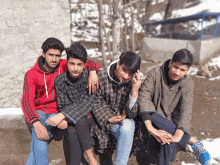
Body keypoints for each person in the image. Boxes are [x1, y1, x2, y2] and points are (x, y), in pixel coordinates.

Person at [21, 37, 100, 165]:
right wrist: (35, 123)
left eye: (57, 55)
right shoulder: (31, 74)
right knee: (39, 134)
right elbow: (26, 101)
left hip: (56, 112)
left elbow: (87, 62)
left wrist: (93, 72)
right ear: (43, 54)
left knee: (39, 141)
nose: (54, 59)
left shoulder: (65, 64)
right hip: (40, 113)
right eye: (50, 55)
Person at [138, 49, 211, 165]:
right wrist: (150, 127)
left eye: (182, 70)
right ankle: (192, 141)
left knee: (169, 140)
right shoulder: (156, 73)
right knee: (147, 108)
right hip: (151, 117)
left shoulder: (187, 83)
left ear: (187, 71)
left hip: (170, 121)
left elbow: (186, 109)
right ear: (170, 63)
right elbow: (144, 95)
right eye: (176, 67)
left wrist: (180, 132)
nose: (177, 73)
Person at [46, 43, 99, 165]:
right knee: (71, 130)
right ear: (67, 63)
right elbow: (63, 104)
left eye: (79, 64)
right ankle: (90, 161)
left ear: (84, 64)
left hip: (90, 117)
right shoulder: (60, 80)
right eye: (72, 64)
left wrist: (62, 115)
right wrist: (65, 116)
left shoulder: (90, 78)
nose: (75, 68)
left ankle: (91, 159)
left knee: (79, 122)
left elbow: (87, 103)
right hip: (72, 120)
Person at [92, 52, 142, 165]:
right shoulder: (101, 76)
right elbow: (96, 102)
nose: (126, 76)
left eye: (131, 73)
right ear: (118, 64)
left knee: (129, 125)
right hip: (103, 121)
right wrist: (109, 118)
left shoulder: (134, 83)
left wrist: (134, 92)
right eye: (124, 70)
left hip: (123, 123)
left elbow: (132, 114)